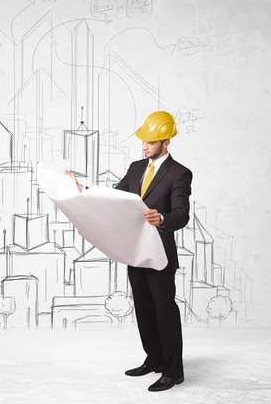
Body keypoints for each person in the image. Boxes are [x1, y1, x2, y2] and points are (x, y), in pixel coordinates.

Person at [65, 111, 192, 392]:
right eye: (143, 141)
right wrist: (82, 189)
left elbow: (182, 214)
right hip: (135, 251)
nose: (144, 146)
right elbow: (116, 199)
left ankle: (173, 371)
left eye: (150, 141)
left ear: (166, 141)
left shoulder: (180, 174)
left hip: (159, 253)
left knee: (164, 311)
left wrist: (163, 219)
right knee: (144, 310)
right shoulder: (136, 168)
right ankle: (155, 359)